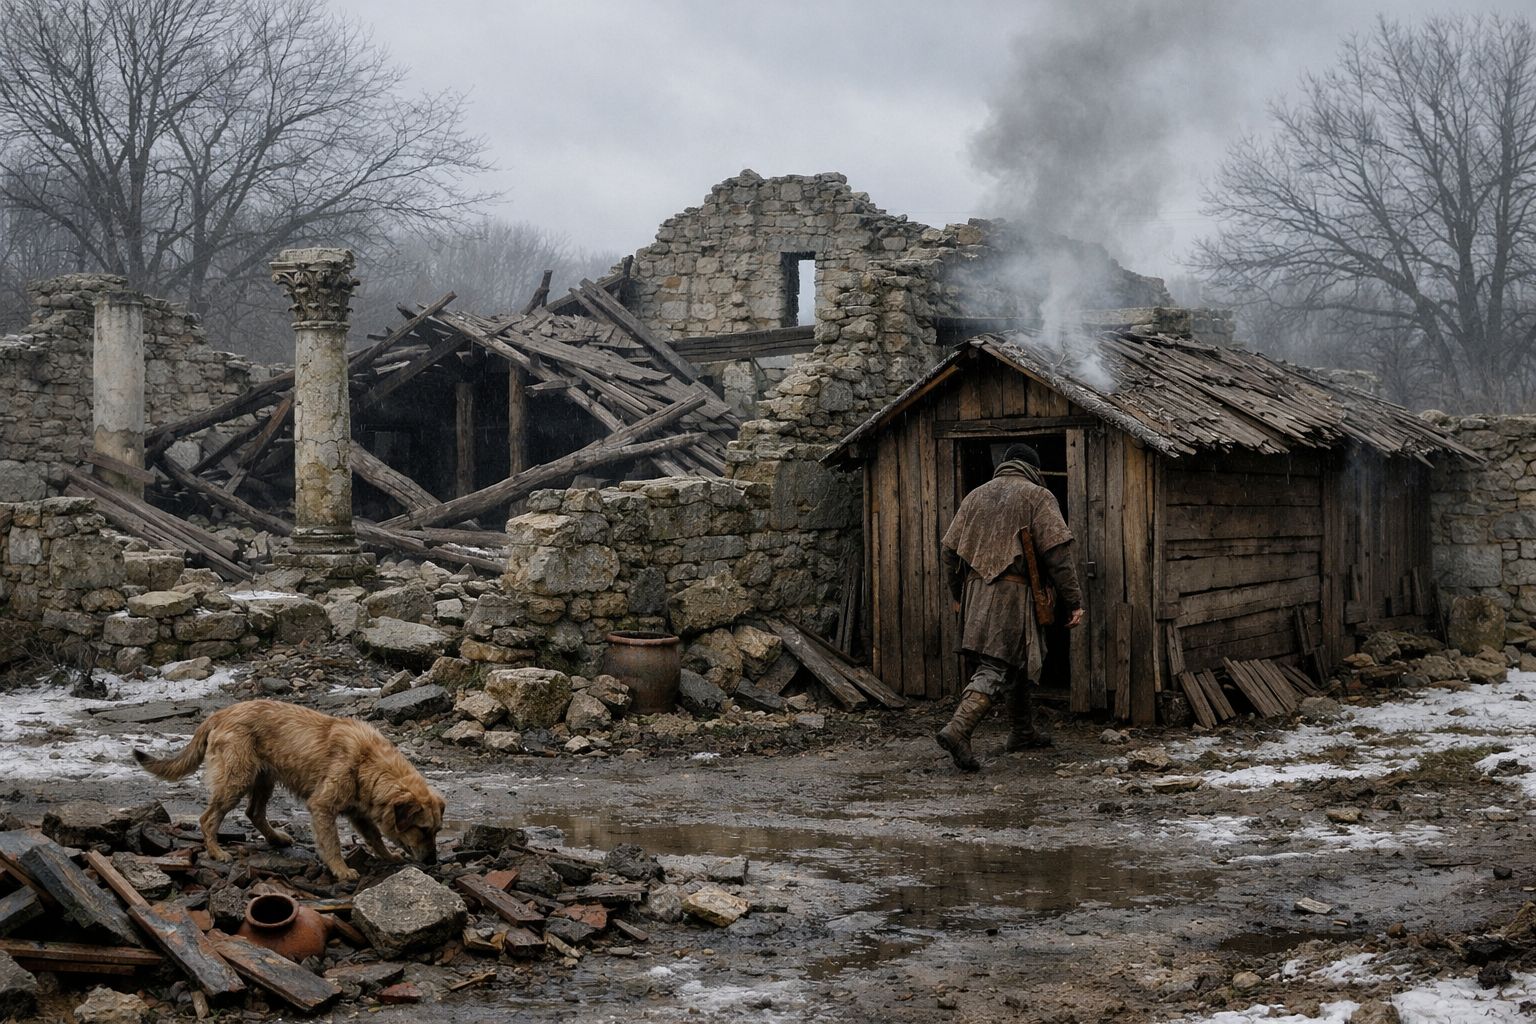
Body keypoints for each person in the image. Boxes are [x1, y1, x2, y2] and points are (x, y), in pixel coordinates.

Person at [936, 443, 1084, 771]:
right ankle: (958, 730)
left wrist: (959, 593)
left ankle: (1022, 732)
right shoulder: (1037, 496)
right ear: (1034, 468)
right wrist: (1074, 601)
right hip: (1011, 596)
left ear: (1005, 464)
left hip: (976, 593)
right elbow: (1057, 554)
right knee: (996, 665)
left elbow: (948, 551)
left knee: (1014, 663)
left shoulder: (974, 496)